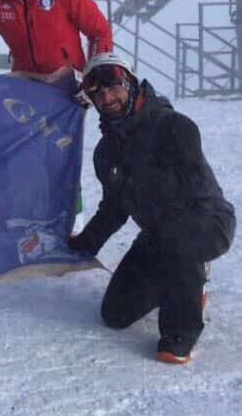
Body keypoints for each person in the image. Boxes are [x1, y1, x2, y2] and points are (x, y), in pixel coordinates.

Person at [67, 53, 236, 364]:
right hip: (159, 234)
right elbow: (114, 209)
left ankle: (180, 330)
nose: (108, 98)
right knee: (115, 314)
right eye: (98, 93)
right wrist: (83, 244)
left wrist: (139, 169)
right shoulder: (106, 153)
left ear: (131, 84)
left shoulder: (173, 127)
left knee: (177, 239)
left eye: (114, 87)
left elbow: (192, 192)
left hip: (207, 222)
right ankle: (182, 284)